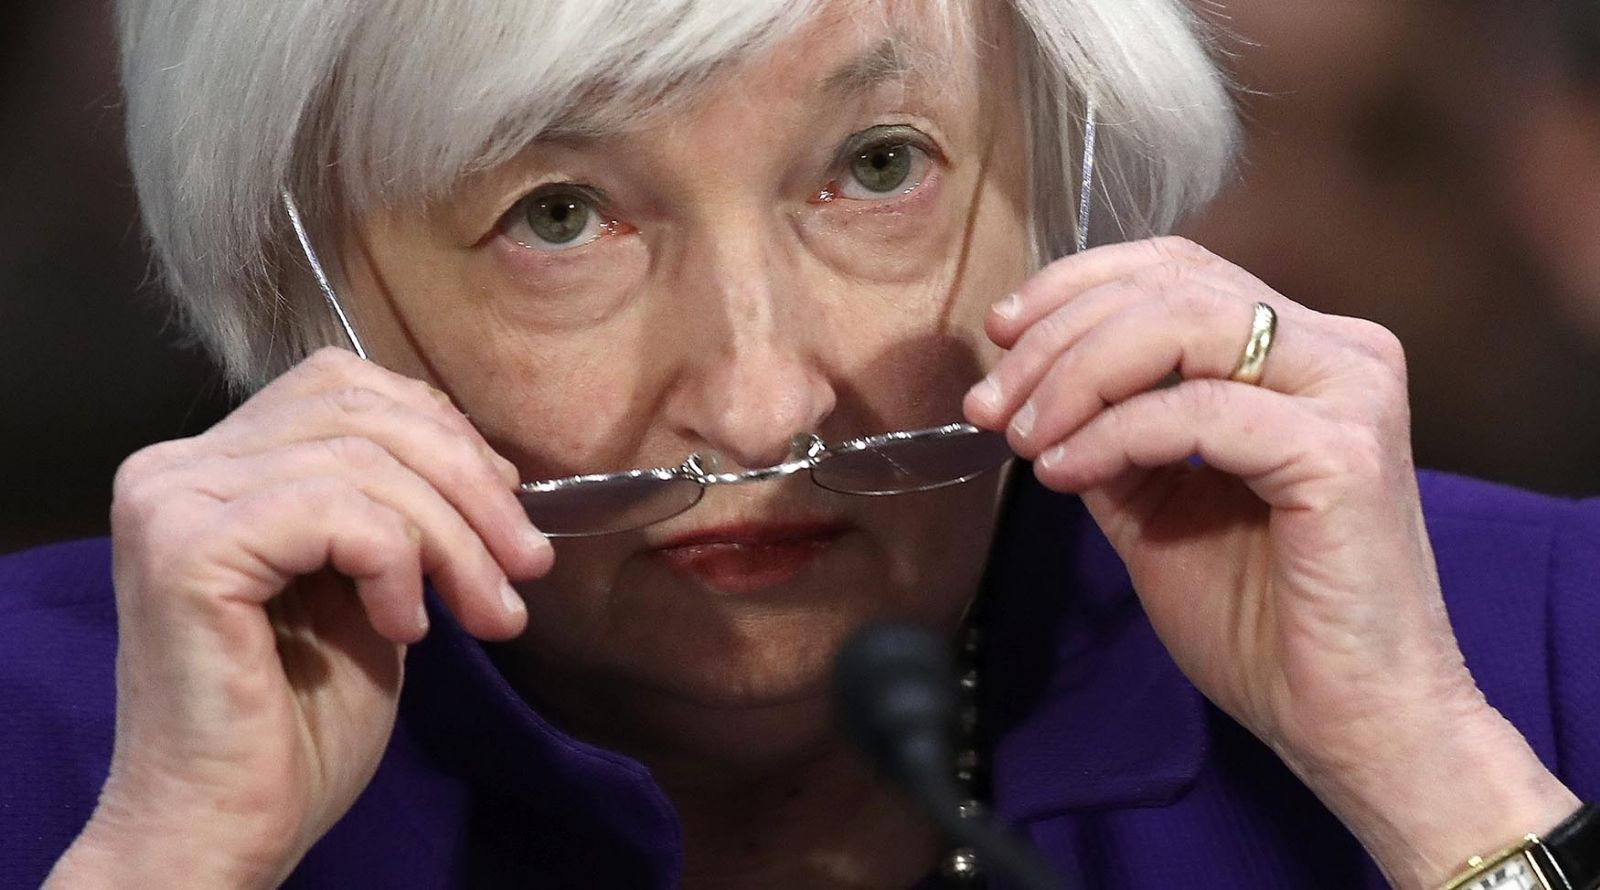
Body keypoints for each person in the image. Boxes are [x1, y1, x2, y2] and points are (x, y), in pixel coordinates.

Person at [2, 0, 1596, 887]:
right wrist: (166, 861)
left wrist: (1438, 779)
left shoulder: (1524, 641)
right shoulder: (50, 738)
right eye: (558, 216)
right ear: (305, 290)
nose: (763, 404)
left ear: (1069, 189)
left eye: (879, 166)